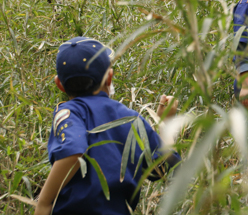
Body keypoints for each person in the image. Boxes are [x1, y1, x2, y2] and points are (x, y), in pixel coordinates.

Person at [35, 37, 181, 215]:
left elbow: (74, 150)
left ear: (60, 84)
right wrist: (165, 122)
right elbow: (161, 169)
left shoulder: (68, 112)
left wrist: (43, 202)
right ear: (109, 78)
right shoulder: (131, 118)